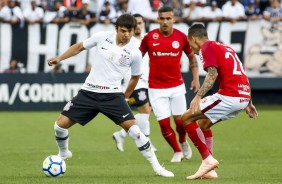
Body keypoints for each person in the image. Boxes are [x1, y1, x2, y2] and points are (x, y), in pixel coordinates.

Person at [47, 14, 174, 177]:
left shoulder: (135, 52)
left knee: (135, 131)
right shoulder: (102, 37)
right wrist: (59, 59)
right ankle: (64, 153)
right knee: (59, 126)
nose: (127, 35)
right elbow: (79, 47)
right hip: (88, 92)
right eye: (123, 31)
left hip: (112, 96)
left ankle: (157, 167)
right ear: (116, 29)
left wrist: (126, 96)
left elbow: (136, 77)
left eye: (130, 31)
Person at [182, 23, 258, 179]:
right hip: (242, 96)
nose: (193, 51)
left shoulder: (206, 48)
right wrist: (249, 102)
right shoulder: (224, 47)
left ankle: (207, 160)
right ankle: (209, 171)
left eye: (191, 45)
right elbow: (241, 73)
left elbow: (212, 73)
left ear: (194, 38)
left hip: (230, 96)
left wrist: (198, 96)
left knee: (186, 117)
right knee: (203, 124)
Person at [139, 6, 200, 163]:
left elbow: (192, 58)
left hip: (176, 86)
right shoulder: (149, 37)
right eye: (162, 18)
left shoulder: (181, 37)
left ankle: (182, 141)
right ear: (158, 19)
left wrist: (195, 79)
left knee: (181, 123)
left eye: (168, 18)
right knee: (164, 125)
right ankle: (177, 151)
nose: (165, 22)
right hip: (156, 88)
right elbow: (137, 56)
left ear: (174, 19)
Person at [112, 13, 157, 152]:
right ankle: (147, 142)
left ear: (143, 24)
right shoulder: (129, 42)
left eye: (140, 22)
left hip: (148, 81)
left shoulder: (147, 39)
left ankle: (121, 135)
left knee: (146, 113)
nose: (138, 25)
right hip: (136, 81)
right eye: (135, 23)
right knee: (145, 110)